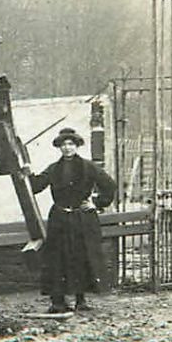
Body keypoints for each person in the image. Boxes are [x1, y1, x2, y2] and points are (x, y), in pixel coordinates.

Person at [30, 127, 117, 313]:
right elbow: (36, 186)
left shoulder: (88, 167)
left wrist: (97, 203)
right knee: (58, 259)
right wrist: (26, 172)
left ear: (77, 146)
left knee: (81, 257)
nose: (67, 148)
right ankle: (58, 302)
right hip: (60, 219)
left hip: (82, 219)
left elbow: (109, 185)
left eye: (70, 144)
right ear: (59, 148)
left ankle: (81, 300)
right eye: (63, 145)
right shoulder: (53, 169)